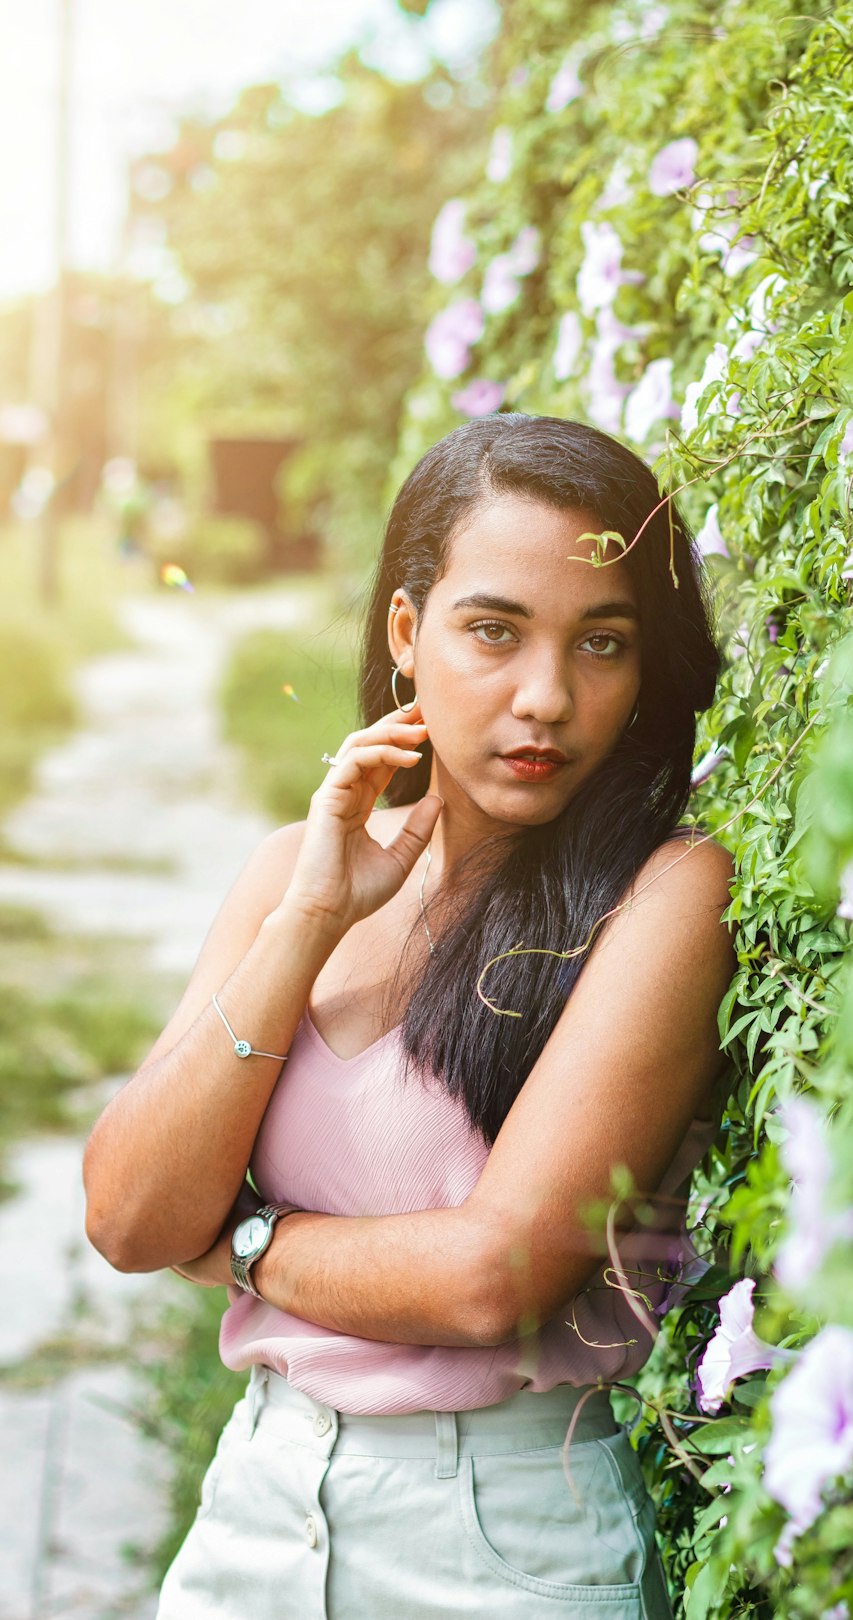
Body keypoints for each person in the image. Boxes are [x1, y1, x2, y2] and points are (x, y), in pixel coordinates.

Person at [83, 412, 736, 1619]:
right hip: (258, 1509)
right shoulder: (296, 870)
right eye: (495, 630)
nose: (546, 697)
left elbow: (495, 1277)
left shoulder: (667, 894)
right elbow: (126, 1213)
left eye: (603, 643)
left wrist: (238, 1241)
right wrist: (310, 921)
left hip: (505, 1538)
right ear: (406, 632)